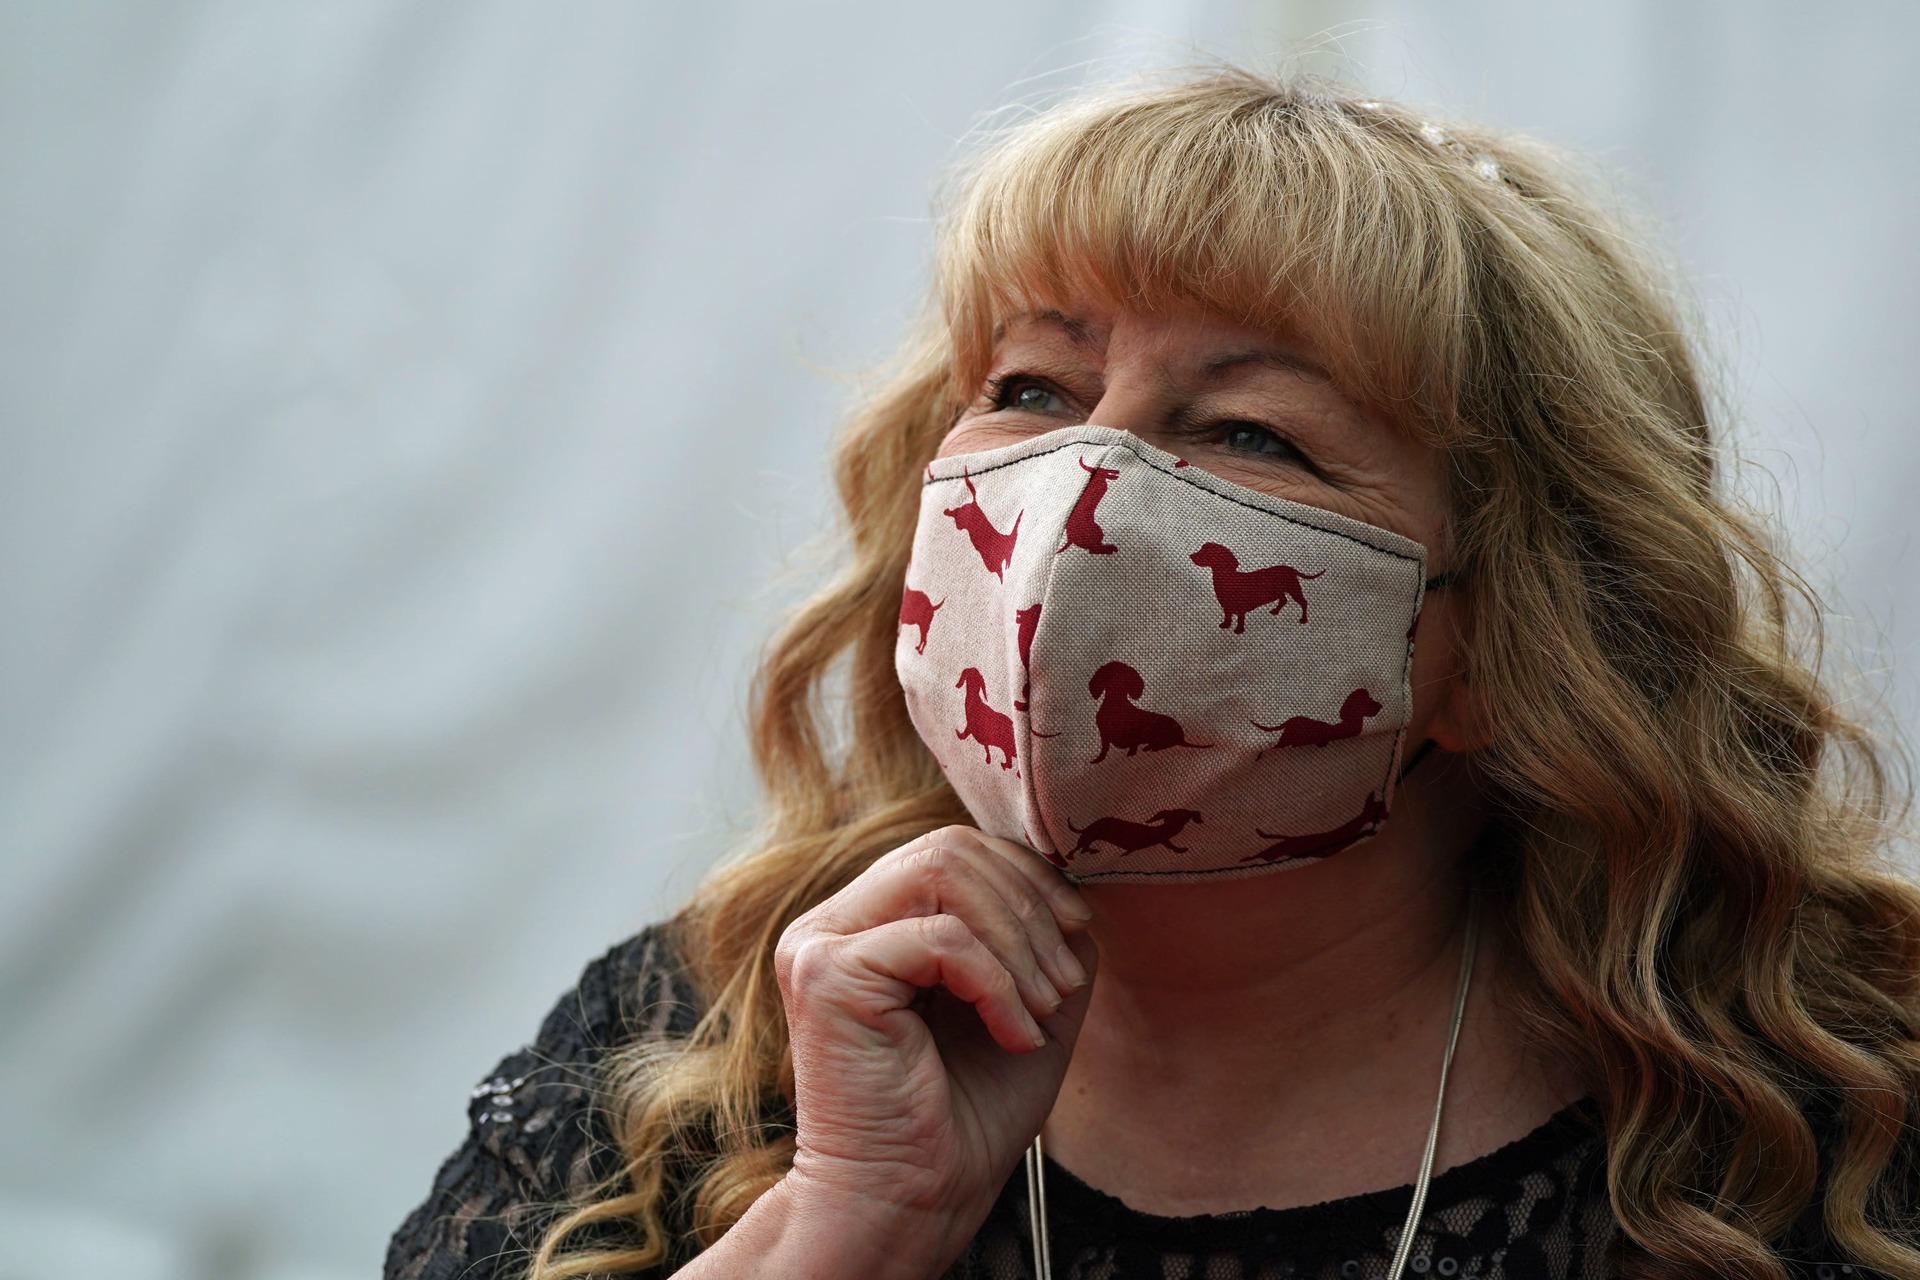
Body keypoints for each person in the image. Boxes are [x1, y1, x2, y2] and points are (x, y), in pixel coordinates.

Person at [385, 67, 1920, 1280]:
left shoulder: (1822, 1128)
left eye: (1251, 432)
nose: (1080, 497)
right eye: (1033, 388)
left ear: (1513, 638)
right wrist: (842, 1227)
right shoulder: (713, 1043)